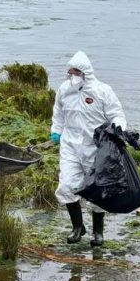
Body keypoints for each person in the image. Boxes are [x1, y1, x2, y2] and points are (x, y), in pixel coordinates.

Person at [50, 51, 126, 247]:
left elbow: (116, 113)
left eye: (75, 72)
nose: (71, 75)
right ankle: (77, 227)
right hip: (70, 146)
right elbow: (58, 113)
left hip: (96, 147)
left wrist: (118, 127)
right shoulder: (65, 90)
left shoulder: (102, 91)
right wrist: (56, 131)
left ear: (85, 72)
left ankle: (98, 233)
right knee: (67, 185)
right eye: (70, 72)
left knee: (97, 189)